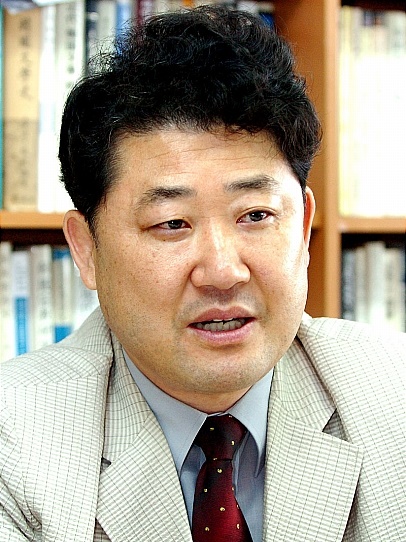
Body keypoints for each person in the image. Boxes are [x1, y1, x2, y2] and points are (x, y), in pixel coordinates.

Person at [1, 5, 405, 541]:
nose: (223, 271)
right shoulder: (15, 444)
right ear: (87, 249)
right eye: (172, 223)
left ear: (304, 226)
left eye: (256, 215)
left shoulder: (393, 397)